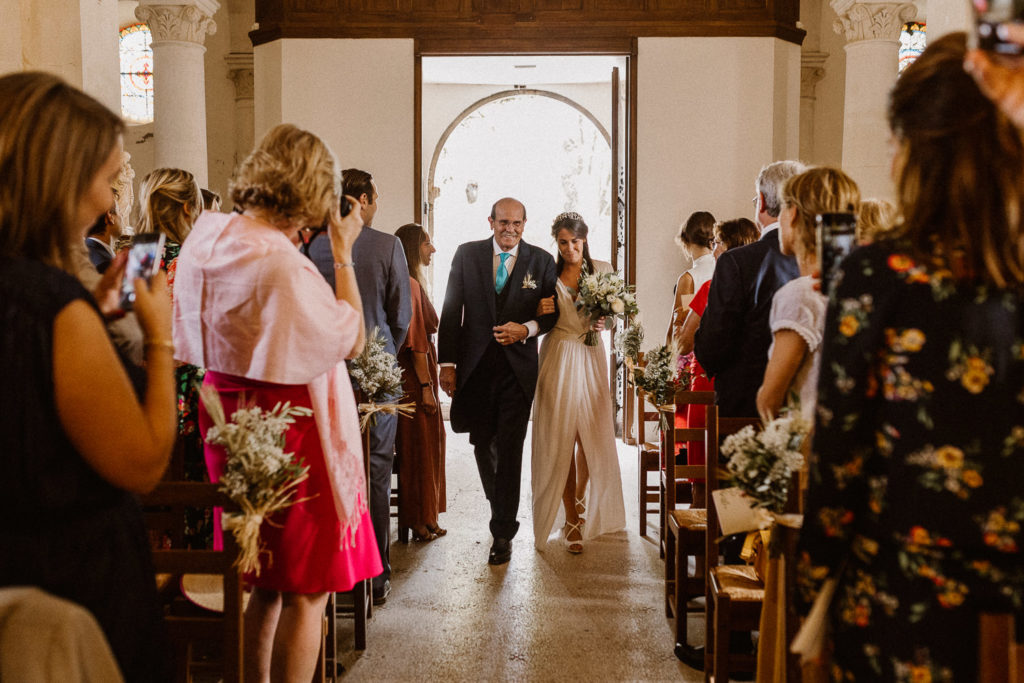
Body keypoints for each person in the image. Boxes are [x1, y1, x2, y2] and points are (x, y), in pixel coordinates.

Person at [797, 33, 1024, 680]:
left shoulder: (881, 275)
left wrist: (813, 601)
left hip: (908, 604)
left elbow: (839, 459)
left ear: (922, 149)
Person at [173, 123, 381, 682]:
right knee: (308, 589)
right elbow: (352, 337)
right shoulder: (283, 263)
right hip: (292, 423)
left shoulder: (209, 237)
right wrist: (341, 250)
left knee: (259, 581)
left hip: (229, 419)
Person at [0, 71, 177, 682]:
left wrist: (97, 316)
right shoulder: (51, 305)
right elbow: (144, 461)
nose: (110, 201)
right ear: (61, 180)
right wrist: (158, 333)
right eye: (106, 181)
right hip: (68, 581)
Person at [307, 168, 411, 605]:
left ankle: (338, 570)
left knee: (330, 467)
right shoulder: (388, 244)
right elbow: (401, 315)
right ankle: (376, 574)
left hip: (325, 365)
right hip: (375, 368)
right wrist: (384, 352)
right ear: (365, 199)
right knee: (375, 469)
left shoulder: (311, 244)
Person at [438, 197, 558, 565]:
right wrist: (447, 363)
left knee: (510, 449)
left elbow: (551, 314)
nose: (510, 229)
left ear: (525, 224)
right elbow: (450, 308)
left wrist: (526, 329)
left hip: (517, 372)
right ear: (490, 222)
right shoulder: (467, 255)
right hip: (475, 369)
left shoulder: (541, 261)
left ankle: (502, 531)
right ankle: (501, 508)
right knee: (480, 442)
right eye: (503, 222)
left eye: (516, 223)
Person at [530, 212, 626, 554]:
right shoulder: (547, 273)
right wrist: (539, 309)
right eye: (564, 243)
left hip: (590, 353)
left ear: (585, 240)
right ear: (556, 243)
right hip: (558, 353)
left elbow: (617, 313)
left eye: (576, 242)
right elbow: (536, 315)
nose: (571, 249)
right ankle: (571, 517)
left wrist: (606, 323)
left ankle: (582, 498)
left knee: (592, 435)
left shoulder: (602, 269)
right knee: (564, 436)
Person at [693, 160, 805, 417]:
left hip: (745, 408)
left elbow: (712, 345)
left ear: (763, 203)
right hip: (805, 412)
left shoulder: (736, 262)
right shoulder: (821, 260)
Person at [755, 167, 860, 423]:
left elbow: (770, 398)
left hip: (811, 440)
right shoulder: (857, 287)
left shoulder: (800, 293)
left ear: (793, 214)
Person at [393, 223, 447, 541]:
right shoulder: (410, 283)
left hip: (421, 374)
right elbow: (416, 343)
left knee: (429, 445)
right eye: (428, 243)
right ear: (415, 248)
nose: (433, 249)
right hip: (415, 378)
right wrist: (427, 388)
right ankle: (418, 518)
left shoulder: (413, 282)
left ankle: (427, 514)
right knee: (419, 450)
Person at [668, 211, 716, 345]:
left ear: (686, 240)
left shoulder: (689, 279)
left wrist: (664, 361)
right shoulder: (726, 269)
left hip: (696, 353)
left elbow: (677, 325)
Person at [85, 199, 120, 273]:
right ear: (110, 216)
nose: (122, 219)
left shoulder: (86, 250)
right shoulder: (105, 264)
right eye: (120, 213)